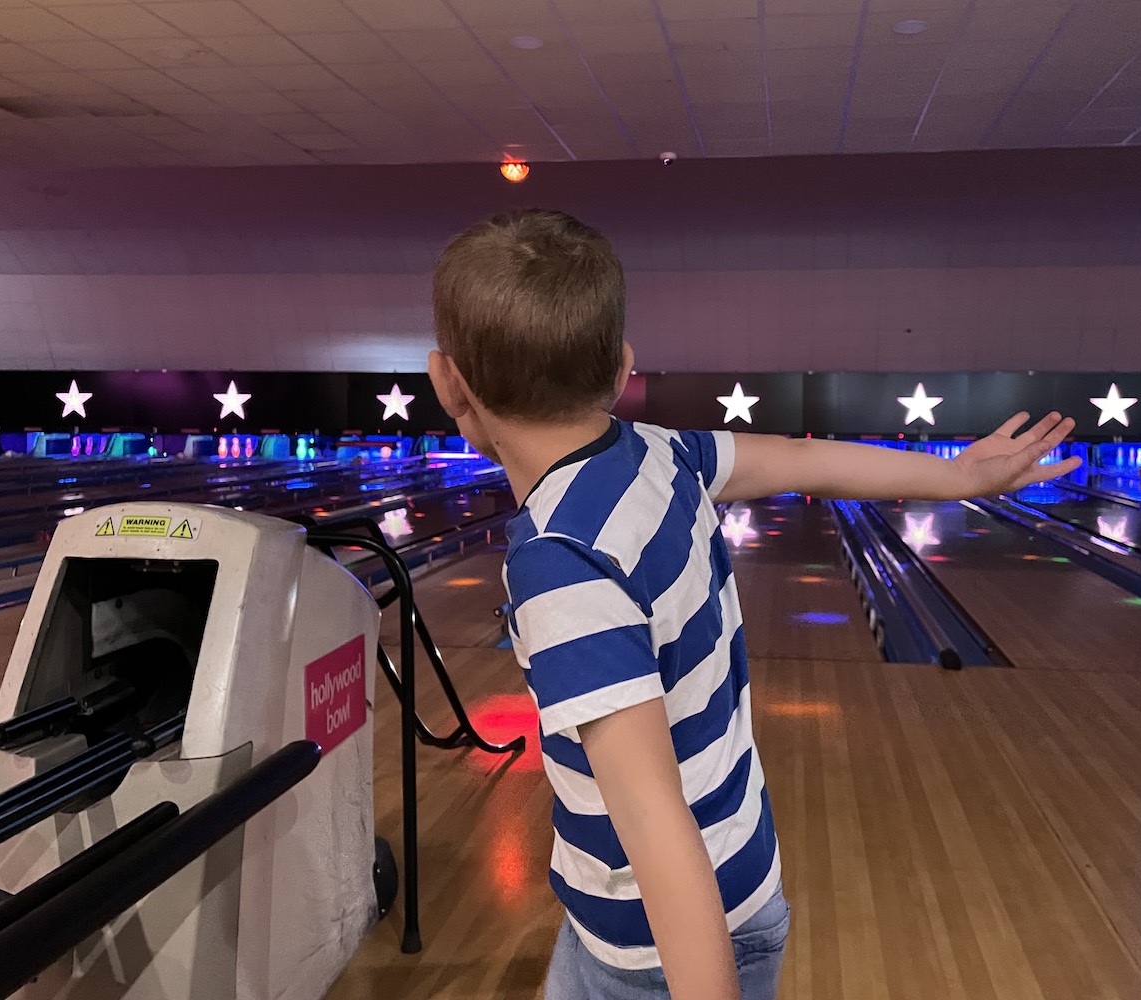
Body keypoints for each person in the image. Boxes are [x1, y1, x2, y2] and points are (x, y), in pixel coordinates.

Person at [426, 209, 1080, 1000]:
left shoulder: (562, 564)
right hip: (735, 881)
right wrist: (960, 476)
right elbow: (806, 458)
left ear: (446, 381)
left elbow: (656, 828)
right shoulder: (662, 455)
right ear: (622, 367)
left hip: (657, 948)